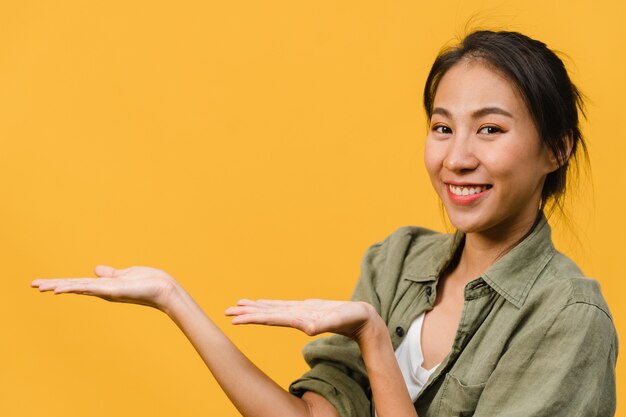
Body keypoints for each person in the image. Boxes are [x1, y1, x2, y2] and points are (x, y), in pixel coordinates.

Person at [31, 30, 617, 417]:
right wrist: (173, 298)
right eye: (443, 127)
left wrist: (376, 342)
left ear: (556, 149)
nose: (457, 156)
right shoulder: (397, 263)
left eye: (490, 129)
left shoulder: (568, 319)